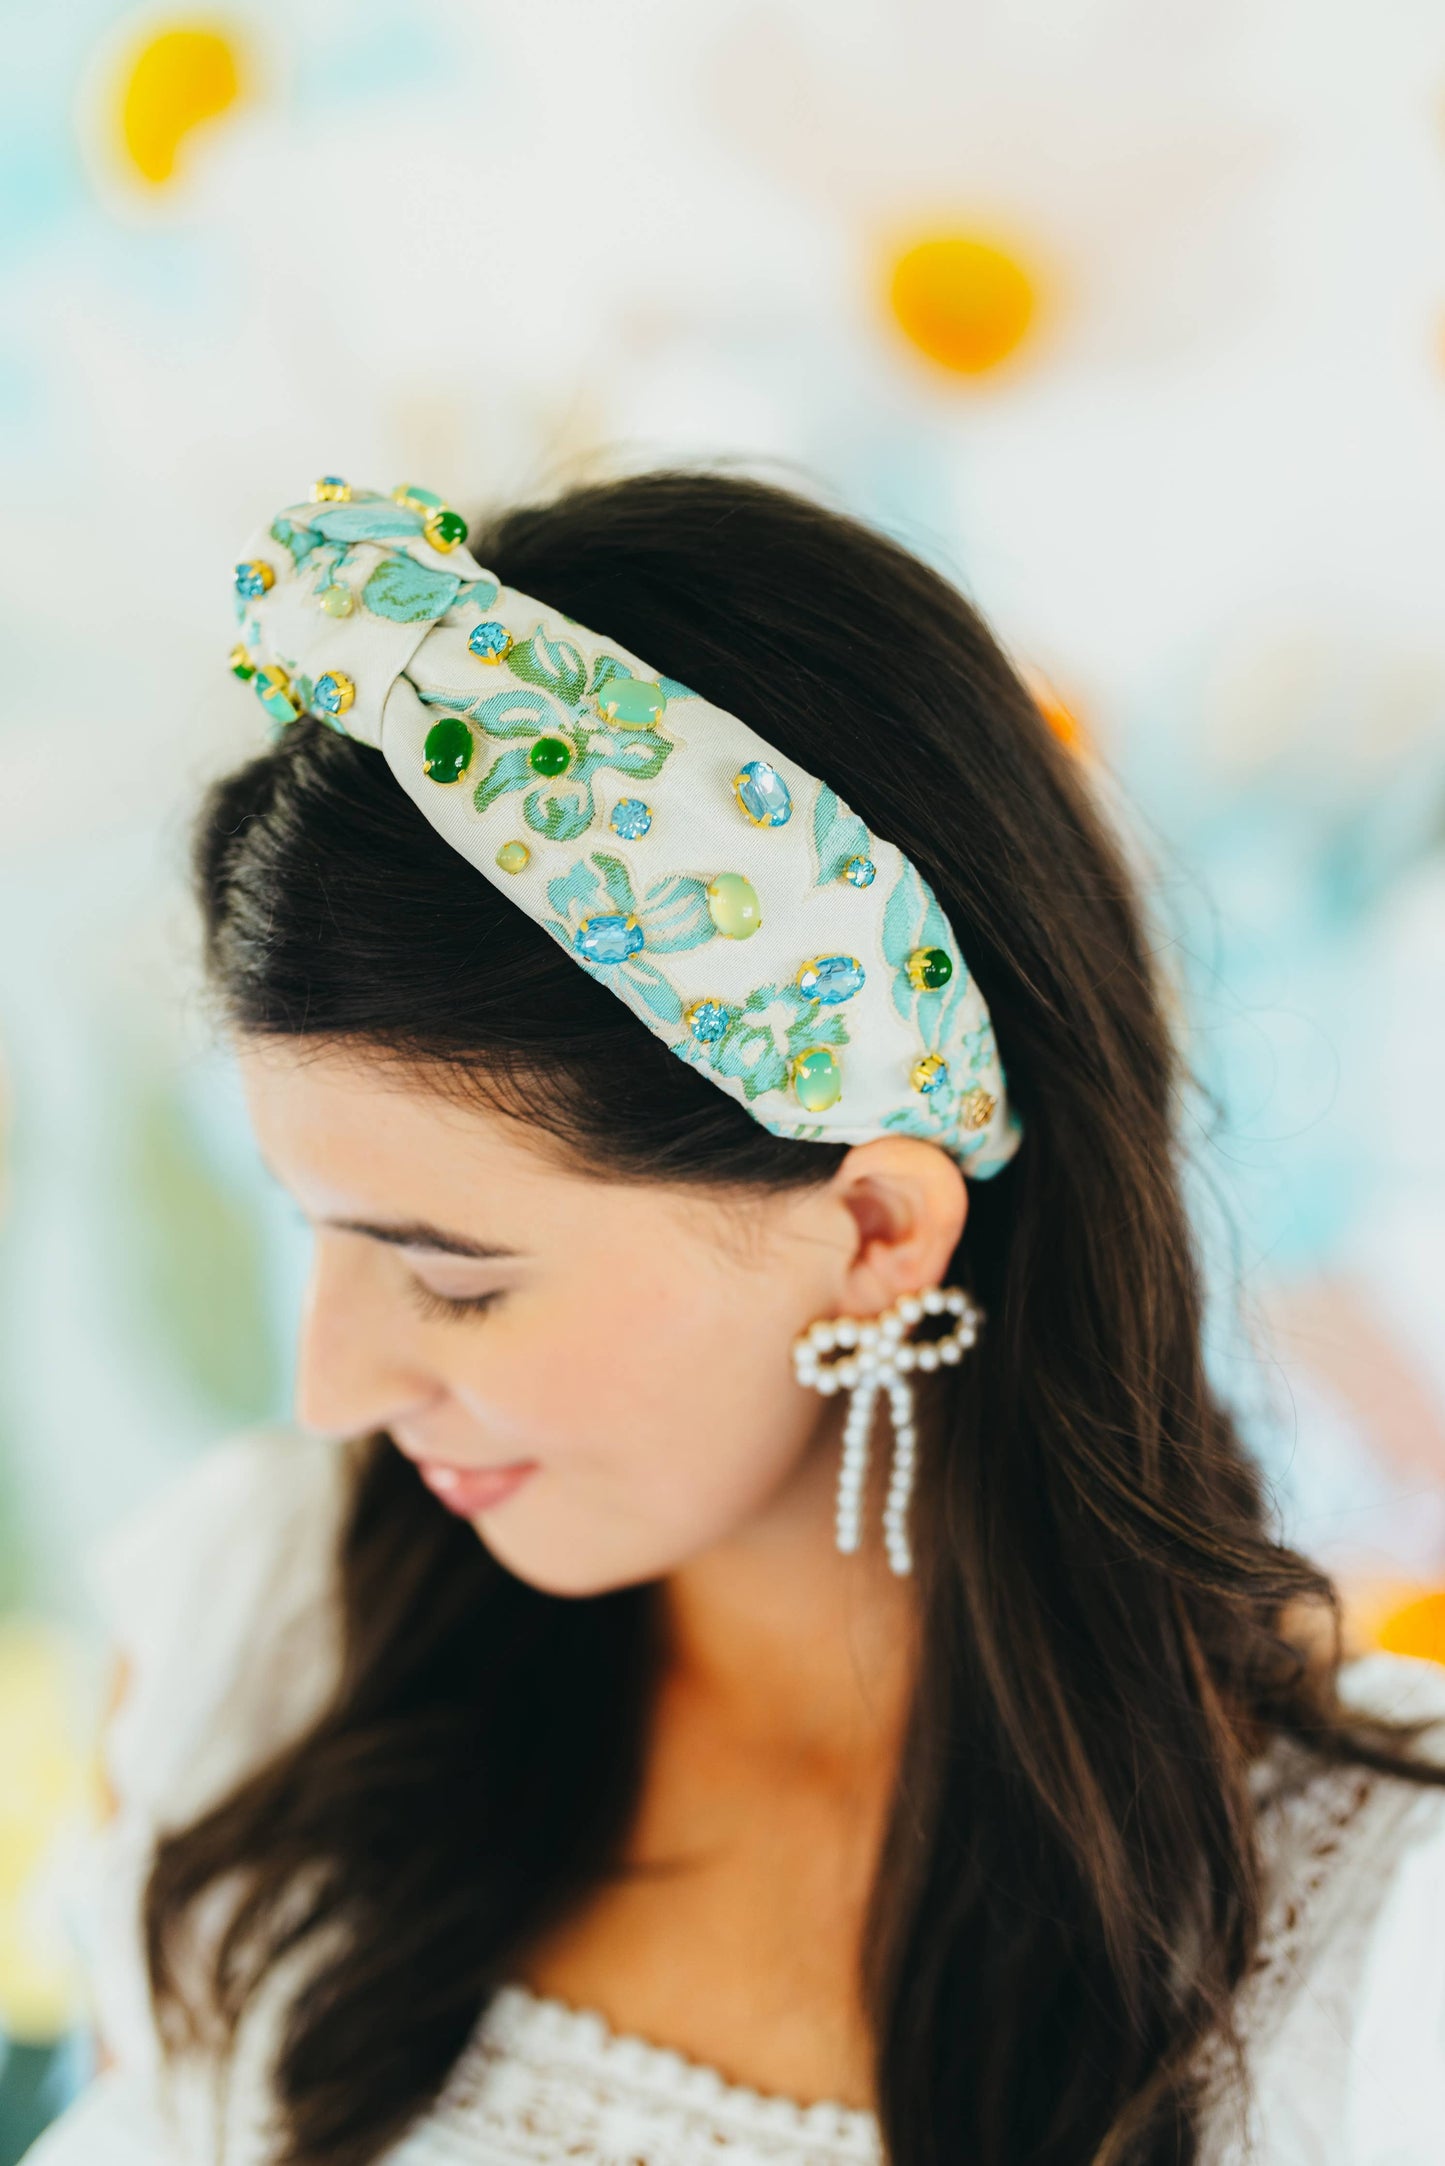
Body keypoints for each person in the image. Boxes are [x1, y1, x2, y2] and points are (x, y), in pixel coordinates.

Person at [26, 470, 1445, 2166]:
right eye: (316, 1233)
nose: (332, 1385)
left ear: (871, 1227)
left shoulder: (1374, 1956)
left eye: (454, 1275)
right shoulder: (270, 1647)